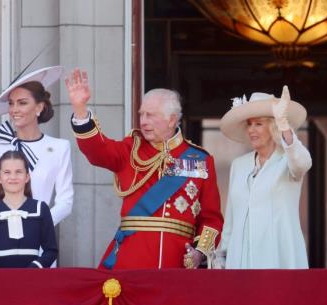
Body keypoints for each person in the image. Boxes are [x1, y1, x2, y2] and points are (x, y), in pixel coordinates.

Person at [65, 69, 223, 269]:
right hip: (131, 259)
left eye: (151, 115)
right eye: (141, 114)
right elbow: (97, 150)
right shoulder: (131, 149)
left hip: (177, 263)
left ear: (172, 120)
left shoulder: (200, 159)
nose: (143, 121)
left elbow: (211, 218)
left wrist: (199, 253)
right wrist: (80, 109)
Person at [216, 86, 311, 269]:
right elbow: (231, 219)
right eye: (249, 124)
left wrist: (284, 125)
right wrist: (222, 257)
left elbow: (303, 163)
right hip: (240, 259)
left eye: (258, 124)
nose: (252, 130)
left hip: (277, 255)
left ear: (273, 127)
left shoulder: (288, 161)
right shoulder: (239, 165)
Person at [0, 66, 73, 227]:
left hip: (37, 241)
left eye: (22, 103)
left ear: (39, 107)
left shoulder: (59, 148)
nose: (14, 110)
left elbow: (65, 202)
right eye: (11, 104)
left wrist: (38, 226)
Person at [0, 151, 58, 268]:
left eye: (18, 172)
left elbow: (51, 250)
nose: (13, 177)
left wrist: (35, 267)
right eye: (7, 172)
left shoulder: (41, 209)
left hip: (31, 280)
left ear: (27, 177)